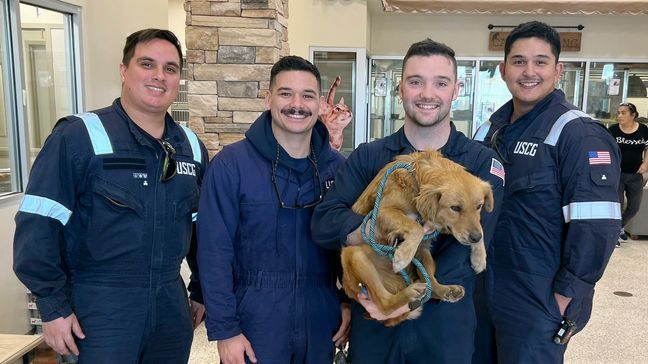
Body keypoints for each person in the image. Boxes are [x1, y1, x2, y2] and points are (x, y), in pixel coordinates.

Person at [13, 29, 207, 363]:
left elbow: (202, 229)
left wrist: (202, 289)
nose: (159, 76)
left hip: (169, 304)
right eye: (147, 64)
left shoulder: (190, 147)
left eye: (171, 68)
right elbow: (38, 224)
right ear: (123, 70)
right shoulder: (78, 136)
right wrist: (53, 306)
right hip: (100, 307)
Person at [311, 39, 504, 363]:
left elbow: (472, 244)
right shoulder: (368, 157)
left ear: (456, 89)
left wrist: (423, 289)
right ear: (400, 88)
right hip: (374, 315)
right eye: (416, 82)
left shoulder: (480, 165)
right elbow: (324, 223)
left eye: (440, 83)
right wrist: (371, 233)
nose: (427, 94)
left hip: (444, 324)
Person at [473, 21, 621, 363]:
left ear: (558, 70)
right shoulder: (489, 130)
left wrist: (568, 295)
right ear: (503, 69)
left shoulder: (578, 134)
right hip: (483, 289)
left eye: (540, 62)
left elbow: (596, 227)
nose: (529, 72)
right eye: (518, 61)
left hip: (539, 297)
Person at [197, 55, 350, 364]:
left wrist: (348, 303)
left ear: (320, 104)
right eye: (285, 93)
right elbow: (214, 252)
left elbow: (351, 245)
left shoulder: (340, 170)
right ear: (268, 98)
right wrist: (225, 329)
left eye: (307, 95)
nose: (297, 104)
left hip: (320, 313)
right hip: (256, 316)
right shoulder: (231, 165)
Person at [609, 102, 648, 245]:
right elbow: (607, 149)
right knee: (617, 206)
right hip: (617, 175)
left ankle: (619, 228)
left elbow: (646, 148)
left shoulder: (643, 130)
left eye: (623, 113)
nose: (619, 116)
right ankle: (614, 235)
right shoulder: (613, 130)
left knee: (634, 207)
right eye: (618, 112)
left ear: (633, 115)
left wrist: (645, 163)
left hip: (635, 175)